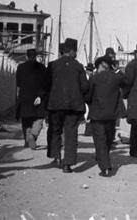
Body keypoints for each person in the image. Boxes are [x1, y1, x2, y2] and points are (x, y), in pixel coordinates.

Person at [46, 38, 89, 173]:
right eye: (75, 51)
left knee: (55, 130)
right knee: (71, 133)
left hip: (55, 105)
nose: (76, 53)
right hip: (73, 106)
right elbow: (85, 86)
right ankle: (67, 164)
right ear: (71, 51)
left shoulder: (52, 65)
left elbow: (46, 85)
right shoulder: (78, 66)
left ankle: (56, 156)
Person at [85, 55, 127, 177]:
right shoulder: (116, 77)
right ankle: (103, 158)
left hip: (97, 114)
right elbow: (126, 81)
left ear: (99, 66)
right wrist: (117, 70)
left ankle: (105, 166)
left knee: (100, 140)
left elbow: (88, 96)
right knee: (108, 139)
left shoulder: (94, 78)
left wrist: (91, 103)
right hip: (112, 115)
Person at [15, 49, 48, 149]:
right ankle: (33, 135)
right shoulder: (42, 67)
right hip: (38, 97)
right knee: (39, 119)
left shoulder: (21, 67)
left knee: (26, 120)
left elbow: (18, 83)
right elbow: (45, 84)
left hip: (25, 97)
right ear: (36, 56)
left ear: (26, 56)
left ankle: (26, 141)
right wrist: (40, 96)